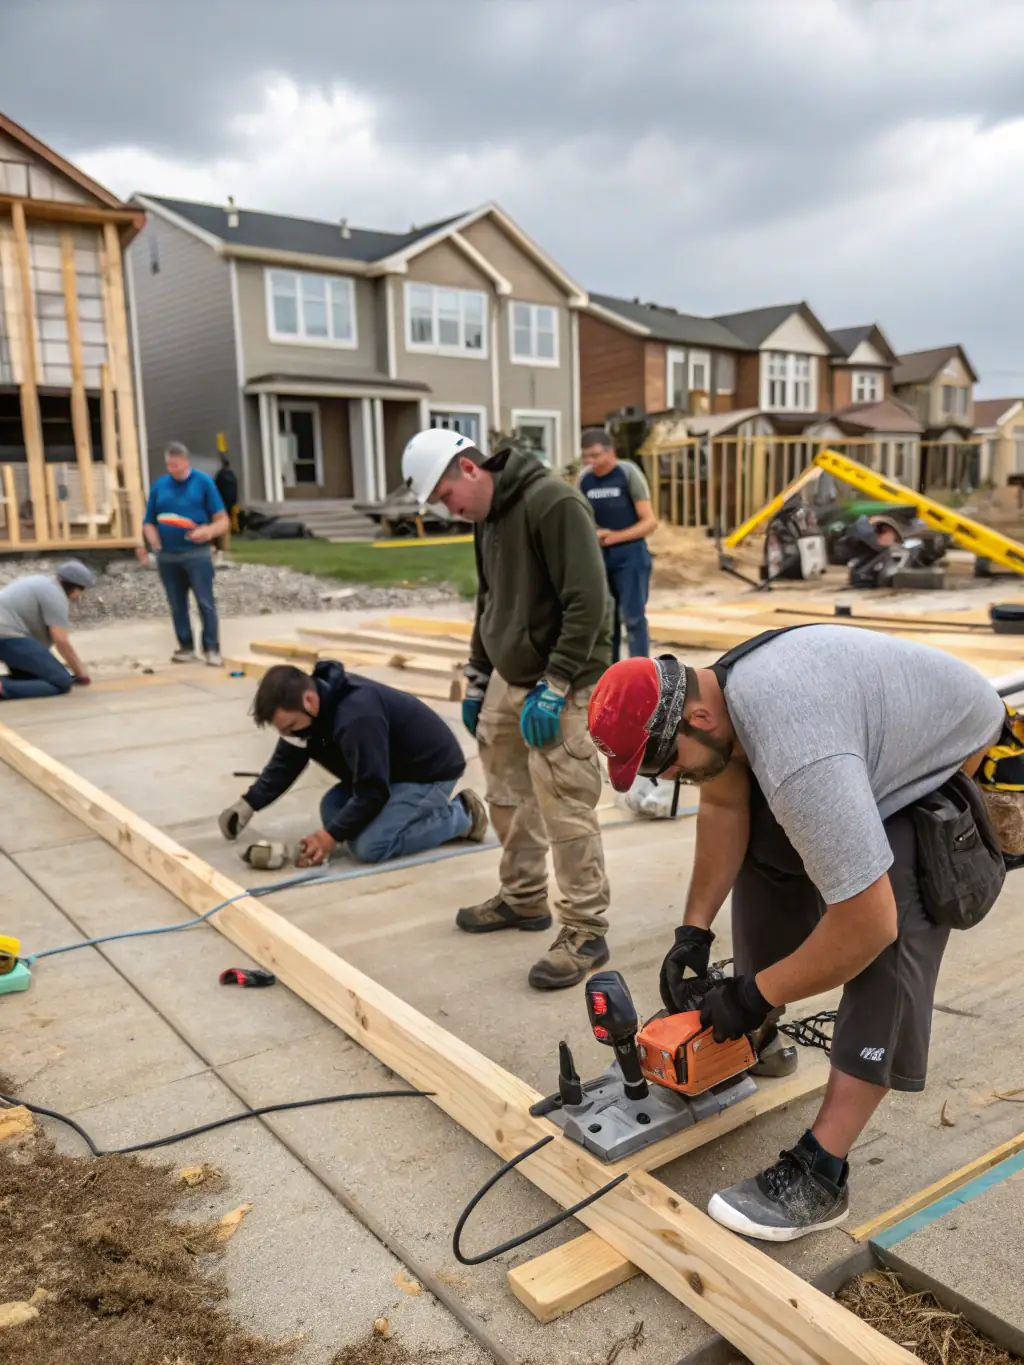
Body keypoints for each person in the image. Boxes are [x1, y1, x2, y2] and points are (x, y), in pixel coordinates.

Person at [587, 623, 1007, 1241]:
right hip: (856, 735)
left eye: (666, 760)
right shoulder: (720, 703)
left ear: (696, 715)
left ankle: (823, 1170)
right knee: (764, 829)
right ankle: (751, 1037)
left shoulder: (796, 750)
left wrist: (753, 992)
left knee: (893, 911)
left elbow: (865, 924)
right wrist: (692, 934)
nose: (671, 775)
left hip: (943, 754)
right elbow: (727, 806)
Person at [402, 427, 613, 991]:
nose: (449, 510)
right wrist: (476, 679)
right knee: (506, 793)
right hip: (509, 677)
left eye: (447, 497)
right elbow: (488, 599)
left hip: (563, 682)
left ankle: (585, 931)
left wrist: (558, 682)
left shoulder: (554, 502)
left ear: (469, 470)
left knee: (566, 803)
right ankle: (523, 899)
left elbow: (589, 598)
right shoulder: (487, 518)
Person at [218, 660, 487, 867]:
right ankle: (409, 815)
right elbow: (286, 762)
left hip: (428, 773)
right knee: (332, 810)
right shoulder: (308, 715)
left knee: (370, 846)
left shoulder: (356, 717)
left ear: (309, 701)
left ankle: (463, 815)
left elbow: (372, 790)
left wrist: (327, 838)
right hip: (389, 771)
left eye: (291, 726)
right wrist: (248, 805)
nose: (290, 735)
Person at [142, 442, 229, 666]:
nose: (173, 470)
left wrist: (207, 531)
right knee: (176, 604)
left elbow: (223, 521)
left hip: (197, 554)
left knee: (205, 602)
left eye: (177, 466)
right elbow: (149, 522)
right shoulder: (160, 486)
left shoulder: (204, 483)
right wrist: (154, 543)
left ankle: (211, 648)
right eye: (169, 466)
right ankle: (186, 646)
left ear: (186, 462)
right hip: (167, 556)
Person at [578, 429, 657, 662]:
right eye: (586, 457)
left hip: (630, 555)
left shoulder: (628, 472)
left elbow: (650, 522)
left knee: (633, 618)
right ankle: (611, 675)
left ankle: (641, 672)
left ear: (610, 452)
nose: (591, 462)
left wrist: (615, 536)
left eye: (595, 455)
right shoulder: (584, 479)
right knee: (606, 622)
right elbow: (578, 516)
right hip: (599, 557)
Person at [0, 560, 95, 700]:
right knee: (61, 681)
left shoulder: (42, 583)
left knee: (32, 677)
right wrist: (81, 672)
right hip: (7, 634)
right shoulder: (56, 596)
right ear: (75, 590)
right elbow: (61, 640)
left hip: (8, 633)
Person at [214, 456, 240, 540]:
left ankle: (225, 531)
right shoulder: (232, 475)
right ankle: (232, 530)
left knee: (223, 516)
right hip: (232, 500)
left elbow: (216, 487)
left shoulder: (220, 475)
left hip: (223, 500)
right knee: (230, 516)